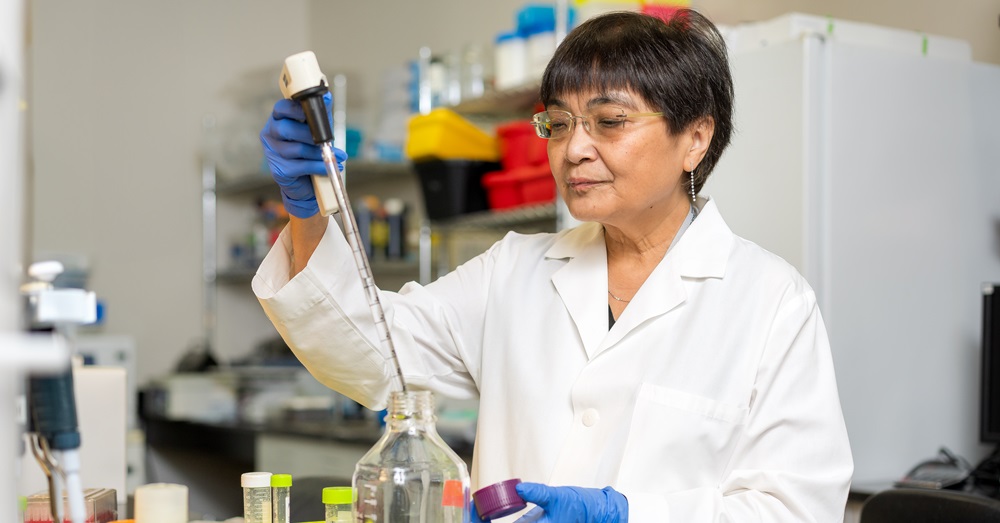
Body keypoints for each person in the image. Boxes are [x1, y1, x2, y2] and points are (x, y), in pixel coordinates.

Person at [255, 9, 853, 522]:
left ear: (695, 138)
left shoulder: (771, 301)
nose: (573, 149)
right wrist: (307, 209)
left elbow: (797, 510)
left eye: (610, 122)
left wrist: (629, 515)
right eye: (558, 124)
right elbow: (370, 351)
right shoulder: (514, 270)